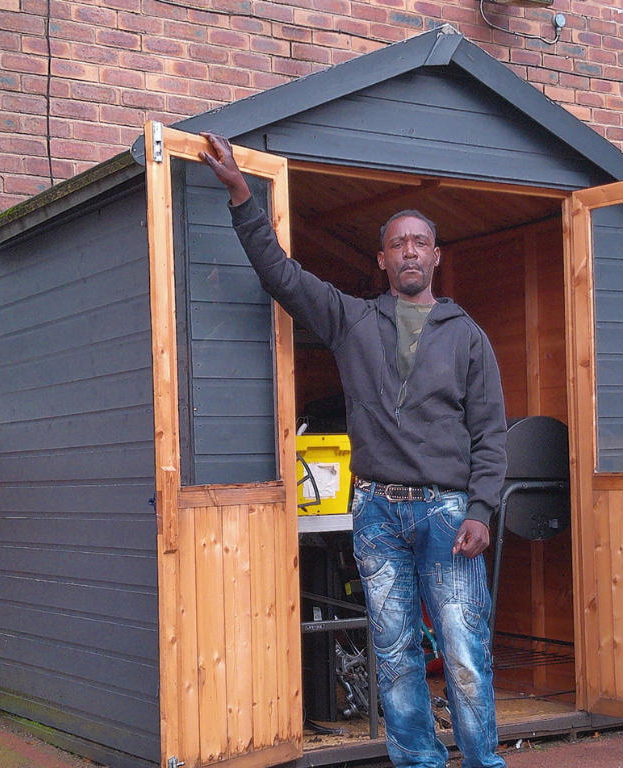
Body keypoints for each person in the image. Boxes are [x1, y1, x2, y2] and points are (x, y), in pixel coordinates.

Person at [199, 133, 508, 768]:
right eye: (398, 243)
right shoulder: (352, 320)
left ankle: (483, 763)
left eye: (420, 242)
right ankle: (419, 762)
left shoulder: (468, 336)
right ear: (382, 260)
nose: (410, 251)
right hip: (376, 515)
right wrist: (240, 195)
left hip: (449, 516)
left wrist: (481, 509)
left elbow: (491, 432)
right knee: (394, 654)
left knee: (464, 651)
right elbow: (279, 273)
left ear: (436, 256)